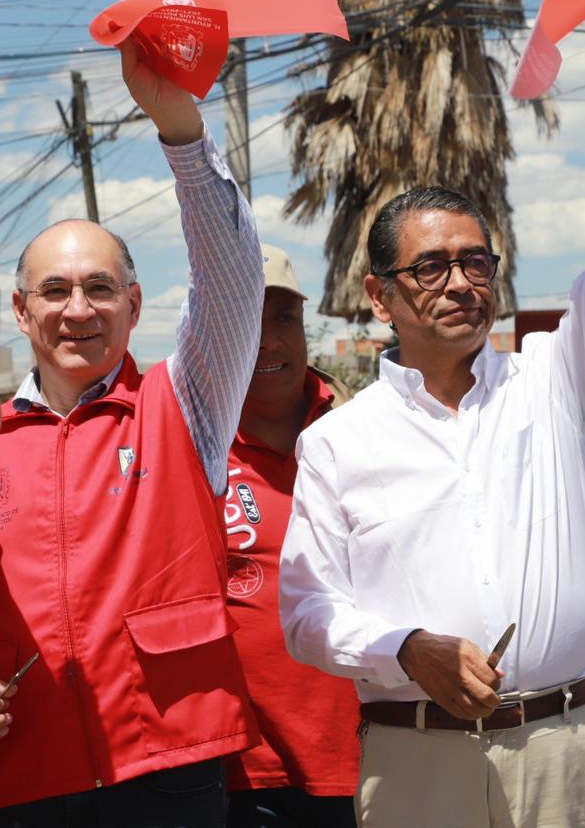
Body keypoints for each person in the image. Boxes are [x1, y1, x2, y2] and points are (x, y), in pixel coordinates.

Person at [278, 12, 585, 828]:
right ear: (381, 296)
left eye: (476, 261)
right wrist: (403, 649)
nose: (460, 282)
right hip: (414, 760)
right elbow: (305, 614)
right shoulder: (338, 440)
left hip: (561, 749)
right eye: (431, 266)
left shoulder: (555, 378)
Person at [0, 35, 264, 826]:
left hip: (167, 767)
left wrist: (180, 129)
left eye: (101, 289)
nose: (79, 310)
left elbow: (234, 280)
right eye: (57, 290)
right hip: (17, 775)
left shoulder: (186, 405)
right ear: (21, 310)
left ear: (134, 307)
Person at [221, 247, 360, 828]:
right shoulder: (185, 443)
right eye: (247, 322)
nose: (268, 342)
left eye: (283, 320)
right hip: (236, 773)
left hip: (368, 755)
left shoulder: (363, 430)